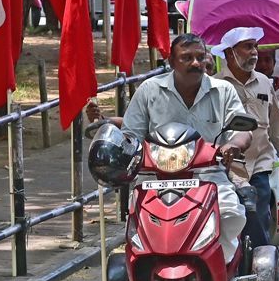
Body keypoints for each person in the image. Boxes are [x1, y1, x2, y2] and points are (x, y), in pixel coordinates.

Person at [85, 34, 251, 263]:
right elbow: (131, 136)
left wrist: (232, 145)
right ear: (172, 61)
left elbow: (243, 131)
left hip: (208, 176)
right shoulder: (149, 90)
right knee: (140, 229)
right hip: (154, 179)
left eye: (200, 57)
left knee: (230, 213)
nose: (196, 63)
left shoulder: (223, 90)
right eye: (187, 58)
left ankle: (220, 267)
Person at [211, 27, 279, 248]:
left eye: (255, 46)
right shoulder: (215, 86)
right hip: (226, 166)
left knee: (257, 216)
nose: (254, 52)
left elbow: (276, 124)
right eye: (248, 47)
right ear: (230, 53)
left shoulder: (264, 82)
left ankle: (261, 261)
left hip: (259, 162)